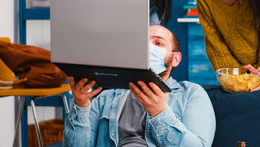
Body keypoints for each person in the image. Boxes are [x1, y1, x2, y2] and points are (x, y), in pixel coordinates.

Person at [63, 25, 216, 147]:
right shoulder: (107, 96)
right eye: (142, 43)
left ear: (175, 59)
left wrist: (160, 113)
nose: (147, 48)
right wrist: (81, 106)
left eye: (158, 43)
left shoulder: (191, 93)